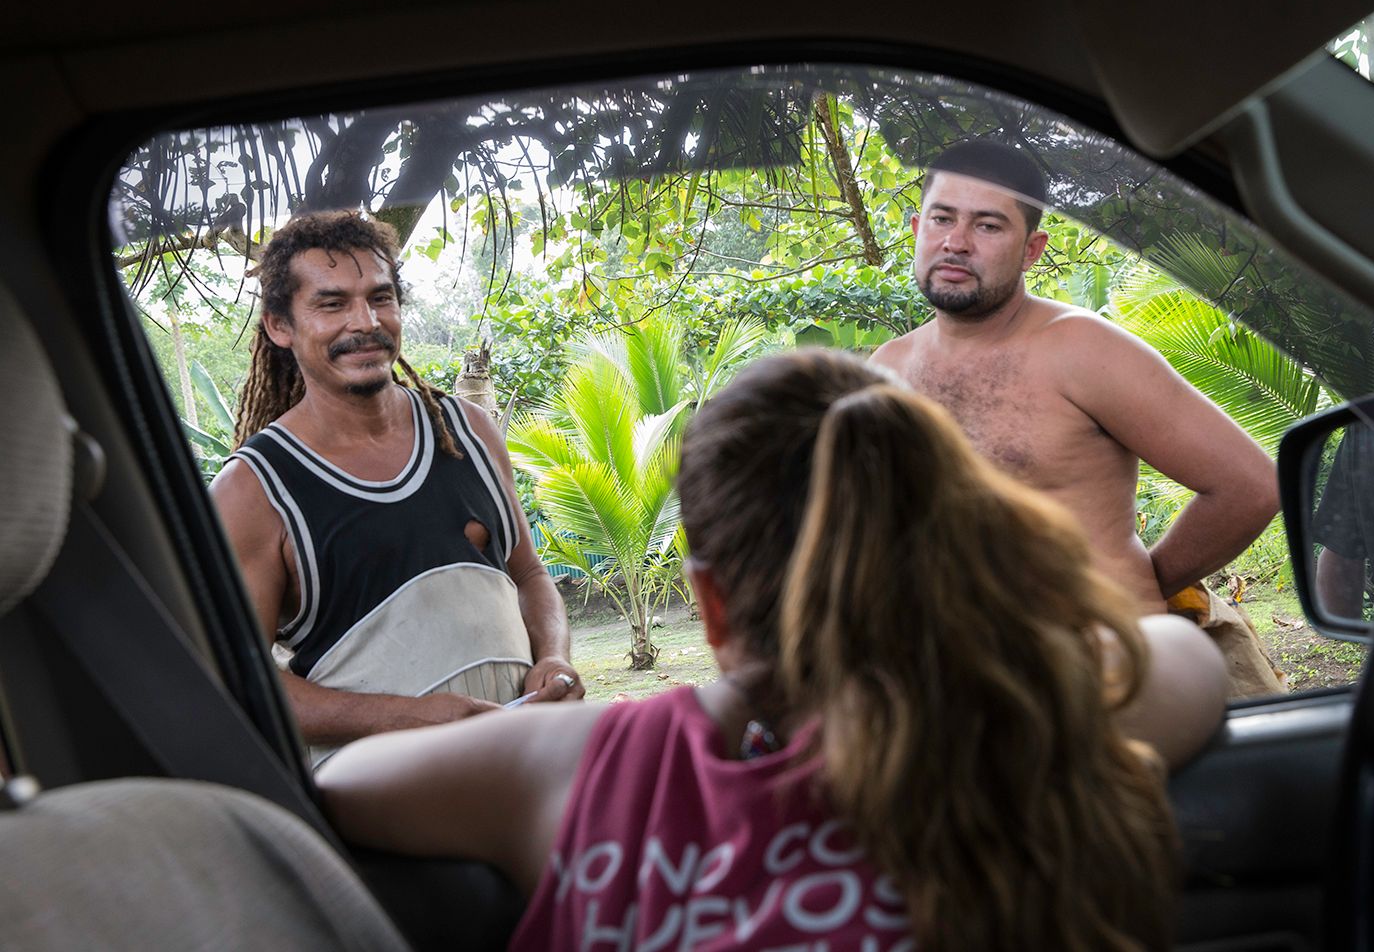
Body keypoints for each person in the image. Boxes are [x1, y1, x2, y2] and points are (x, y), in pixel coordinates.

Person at [318, 349, 1229, 951]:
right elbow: (1186, 661)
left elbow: (340, 789)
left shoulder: (579, 772)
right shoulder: (1038, 727)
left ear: (710, 604)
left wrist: (711, 709)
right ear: (960, 547)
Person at [211, 209, 582, 765]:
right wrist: (412, 716)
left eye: (380, 298)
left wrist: (553, 658)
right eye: (331, 304)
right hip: (376, 790)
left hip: (522, 753)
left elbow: (528, 575)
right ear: (279, 326)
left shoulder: (468, 432)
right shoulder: (253, 490)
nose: (365, 321)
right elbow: (242, 681)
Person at [869, 140, 1280, 616]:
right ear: (918, 229)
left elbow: (1250, 486)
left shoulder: (1081, 349)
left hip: (1099, 662)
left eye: (987, 225)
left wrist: (1132, 590)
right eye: (942, 219)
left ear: (1031, 250)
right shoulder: (888, 368)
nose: (957, 242)